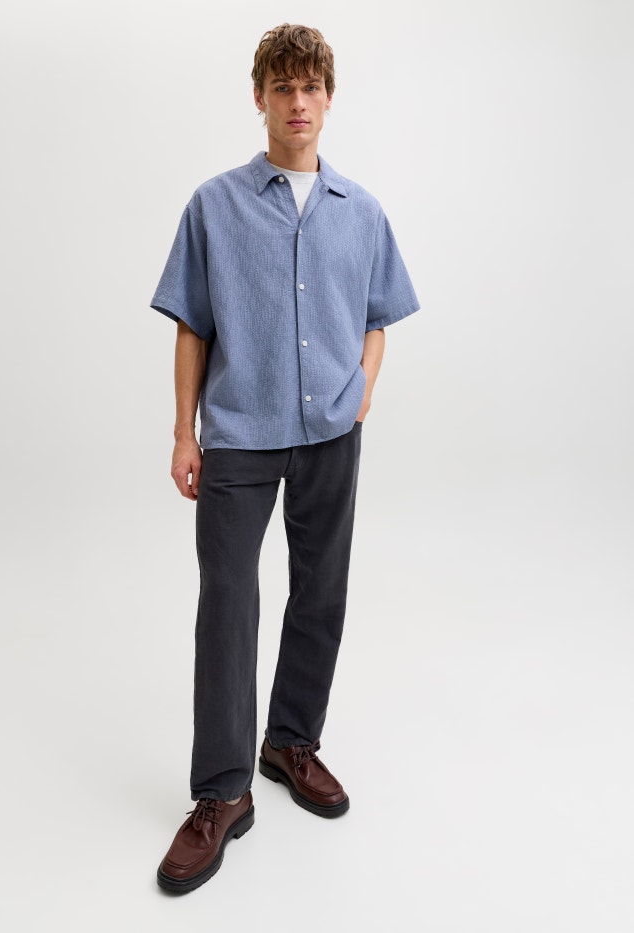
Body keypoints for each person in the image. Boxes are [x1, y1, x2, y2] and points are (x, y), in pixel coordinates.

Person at [150, 23, 420, 894]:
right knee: (228, 603)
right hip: (239, 430)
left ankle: (290, 742)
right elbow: (192, 323)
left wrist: (362, 389)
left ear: (328, 99)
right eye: (283, 87)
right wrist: (185, 430)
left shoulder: (362, 211)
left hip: (331, 433)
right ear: (260, 97)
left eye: (311, 87)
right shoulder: (214, 205)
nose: (298, 102)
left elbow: (378, 315)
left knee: (321, 591)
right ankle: (222, 791)